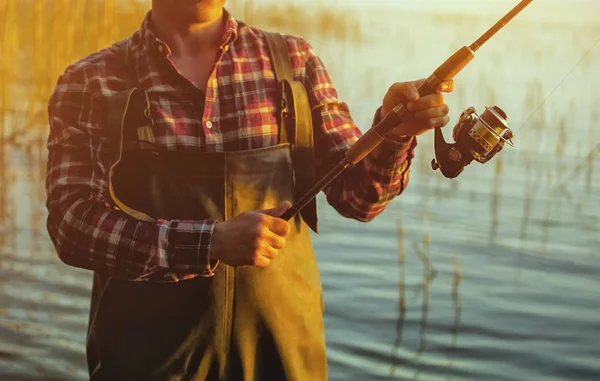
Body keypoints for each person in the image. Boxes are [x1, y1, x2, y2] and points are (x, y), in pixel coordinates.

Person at [45, 0, 454, 380]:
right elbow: (72, 223)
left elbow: (360, 198)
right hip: (149, 362)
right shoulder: (91, 81)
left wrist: (393, 134)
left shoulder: (295, 61)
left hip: (285, 356)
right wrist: (209, 243)